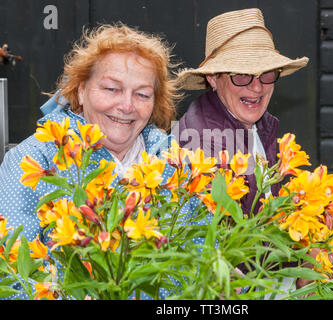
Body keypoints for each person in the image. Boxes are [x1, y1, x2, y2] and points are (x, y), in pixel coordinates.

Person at [0, 23, 196, 299]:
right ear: (80, 91)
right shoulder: (32, 159)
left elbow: (199, 258)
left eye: (142, 94)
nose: (127, 106)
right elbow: (10, 275)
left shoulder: (175, 164)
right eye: (112, 89)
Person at [174, 8, 309, 215]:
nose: (256, 87)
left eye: (266, 73)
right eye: (242, 75)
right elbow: (224, 240)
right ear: (212, 78)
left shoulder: (256, 124)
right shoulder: (205, 144)